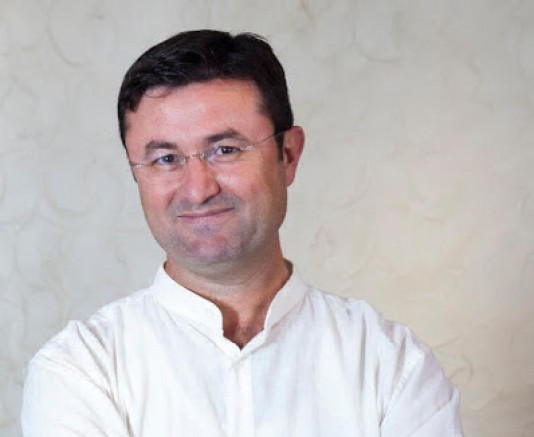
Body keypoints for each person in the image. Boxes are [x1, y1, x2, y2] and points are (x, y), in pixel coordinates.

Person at [21, 30, 463, 436]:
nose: (198, 189)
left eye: (225, 150)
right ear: (136, 174)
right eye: (166, 159)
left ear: (288, 155)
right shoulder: (82, 369)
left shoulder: (391, 365)